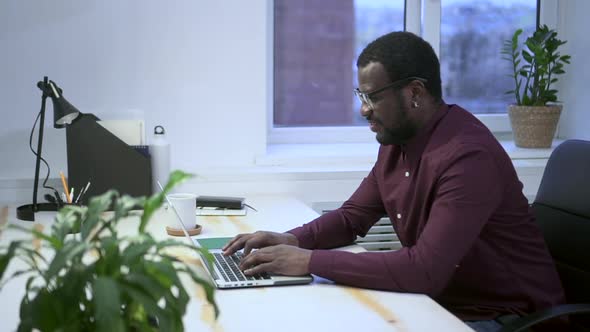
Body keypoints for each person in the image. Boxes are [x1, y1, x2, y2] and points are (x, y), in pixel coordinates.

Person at [223, 31, 565, 331]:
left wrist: (308, 261)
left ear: (414, 92)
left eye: (373, 97)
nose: (364, 110)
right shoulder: (398, 143)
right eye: (361, 96)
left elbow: (424, 271)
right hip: (446, 305)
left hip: (509, 319)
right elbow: (350, 218)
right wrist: (291, 239)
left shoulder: (468, 157)